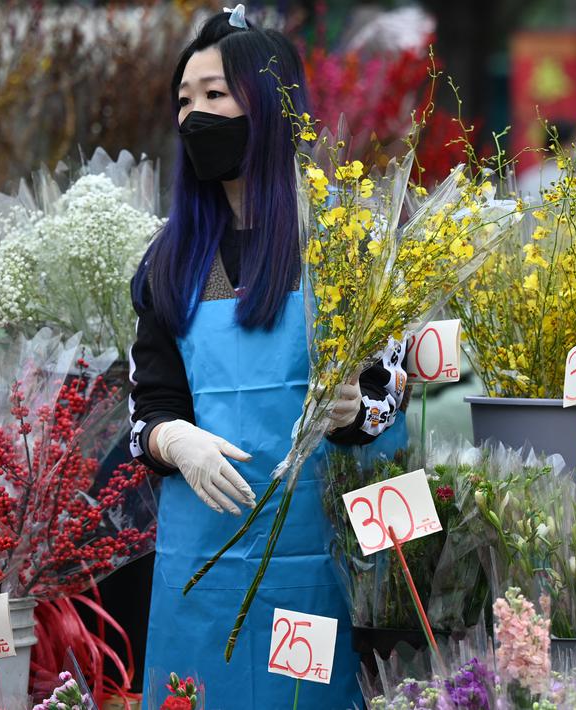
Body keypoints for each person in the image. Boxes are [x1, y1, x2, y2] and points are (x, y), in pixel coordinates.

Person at [128, 6, 406, 706]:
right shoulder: (174, 262)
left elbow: (392, 390)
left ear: (270, 105)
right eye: (184, 100)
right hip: (204, 562)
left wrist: (354, 410)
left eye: (214, 96)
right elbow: (149, 407)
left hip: (314, 559)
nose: (195, 115)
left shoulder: (340, 248)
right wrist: (176, 440)